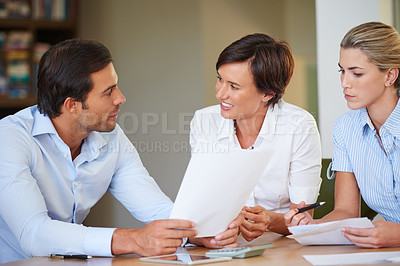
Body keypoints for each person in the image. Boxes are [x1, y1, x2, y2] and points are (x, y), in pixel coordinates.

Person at [0, 39, 241, 263]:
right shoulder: (10, 139)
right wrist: (132, 239)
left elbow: (156, 209)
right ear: (72, 105)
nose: (121, 98)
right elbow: (33, 233)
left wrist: (199, 232)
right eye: (108, 92)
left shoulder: (111, 139)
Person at [189, 33, 322, 240]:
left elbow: (302, 218)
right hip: (222, 244)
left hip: (281, 248)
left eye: (233, 86)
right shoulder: (203, 121)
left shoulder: (299, 125)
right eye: (220, 79)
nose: (220, 94)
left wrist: (269, 221)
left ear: (267, 93)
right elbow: (201, 203)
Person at [284, 21, 400, 248]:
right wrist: (312, 228)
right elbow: (346, 211)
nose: (344, 83)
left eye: (356, 73)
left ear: (390, 76)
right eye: (342, 71)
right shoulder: (346, 129)